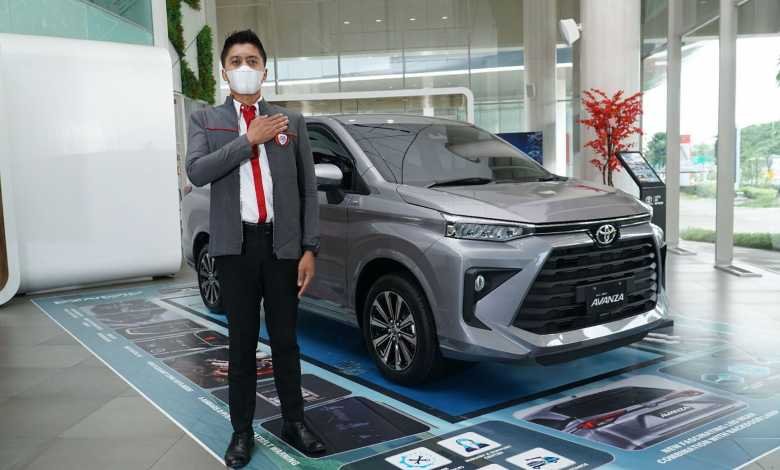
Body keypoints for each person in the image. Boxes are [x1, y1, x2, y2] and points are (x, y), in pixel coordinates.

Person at [185, 29, 325, 468]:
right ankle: (242, 432)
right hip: (235, 248)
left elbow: (308, 190)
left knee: (286, 341)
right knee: (242, 345)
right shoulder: (205, 120)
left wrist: (309, 248)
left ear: (265, 70)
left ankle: (294, 422)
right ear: (223, 71)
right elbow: (197, 171)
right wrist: (248, 139)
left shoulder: (290, 121)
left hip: (282, 248)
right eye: (235, 61)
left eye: (252, 60)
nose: (244, 68)